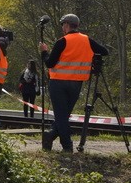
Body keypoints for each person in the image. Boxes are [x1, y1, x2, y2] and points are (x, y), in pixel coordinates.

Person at [38, 13, 110, 152]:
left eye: (62, 25)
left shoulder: (62, 41)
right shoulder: (87, 40)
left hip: (58, 83)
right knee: (63, 116)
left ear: (66, 24)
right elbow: (104, 51)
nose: (62, 28)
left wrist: (44, 52)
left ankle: (67, 147)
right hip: (76, 84)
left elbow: (49, 63)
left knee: (61, 116)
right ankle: (50, 136)